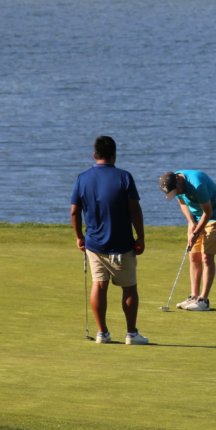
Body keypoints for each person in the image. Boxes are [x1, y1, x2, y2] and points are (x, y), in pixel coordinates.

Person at [71, 136, 148, 345]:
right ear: (114, 154)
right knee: (129, 287)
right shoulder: (125, 177)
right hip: (122, 244)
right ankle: (131, 334)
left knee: (99, 286)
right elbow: (135, 209)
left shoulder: (82, 178)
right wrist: (140, 237)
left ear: (95, 155)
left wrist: (80, 237)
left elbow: (74, 212)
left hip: (94, 244)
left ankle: (102, 333)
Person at [158, 170, 216, 311]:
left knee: (206, 257)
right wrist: (191, 223)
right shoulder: (175, 186)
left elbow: (208, 212)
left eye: (176, 190)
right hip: (196, 219)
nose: (176, 193)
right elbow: (183, 203)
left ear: (178, 179)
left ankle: (203, 300)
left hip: (213, 217)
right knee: (194, 256)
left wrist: (195, 233)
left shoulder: (197, 185)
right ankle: (194, 297)